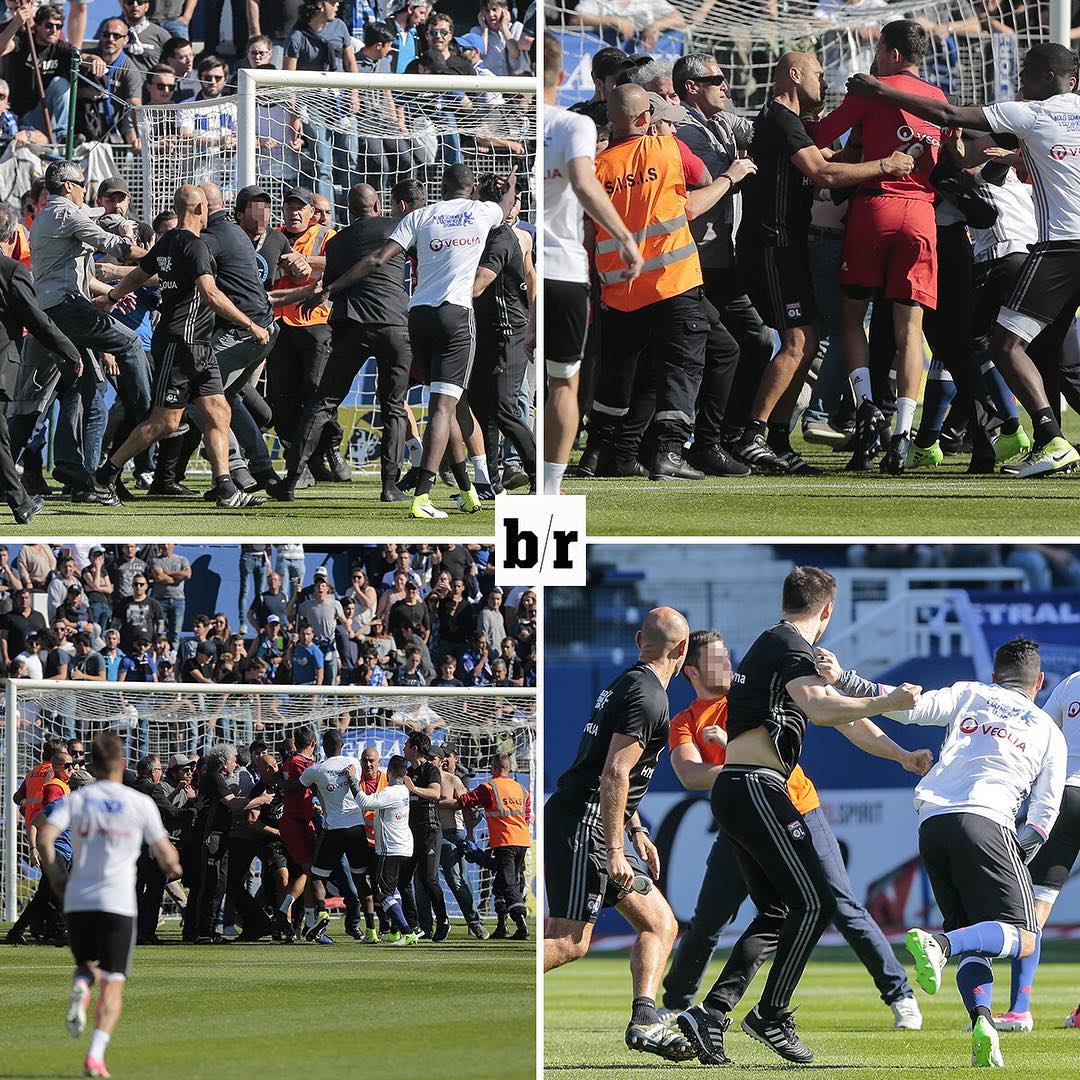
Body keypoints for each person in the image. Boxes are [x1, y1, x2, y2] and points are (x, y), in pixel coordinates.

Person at [690, 568, 919, 1065]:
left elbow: (845, 718)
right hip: (756, 786)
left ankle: (712, 1014)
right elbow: (820, 709)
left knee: (776, 911)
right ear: (828, 610)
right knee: (815, 902)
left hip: (740, 788)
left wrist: (901, 756)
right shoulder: (788, 646)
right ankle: (770, 1013)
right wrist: (891, 700)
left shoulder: (779, 646)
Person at [848, 41, 1080, 478]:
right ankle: (1028, 435)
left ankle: (1049, 438)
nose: (1020, 80)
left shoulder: (1032, 113)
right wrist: (1016, 158)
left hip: (1060, 248)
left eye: (1027, 72)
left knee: (1003, 344)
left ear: (1049, 77)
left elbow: (950, 116)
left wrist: (879, 90)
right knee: (1052, 351)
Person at [881, 637, 1066, 1068]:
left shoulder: (970, 692)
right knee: (1023, 937)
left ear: (994, 675)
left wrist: (848, 683)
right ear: (1038, 681)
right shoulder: (1047, 730)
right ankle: (940, 946)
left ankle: (983, 1025)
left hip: (932, 824)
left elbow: (906, 709)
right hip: (987, 821)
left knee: (975, 937)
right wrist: (1022, 846)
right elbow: (1044, 811)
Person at [734, 52, 914, 474]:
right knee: (797, 340)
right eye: (818, 75)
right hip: (771, 243)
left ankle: (778, 437)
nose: (824, 83)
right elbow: (824, 174)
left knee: (810, 340)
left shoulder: (795, 123)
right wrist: (887, 165)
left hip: (789, 243)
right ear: (794, 76)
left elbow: (831, 161)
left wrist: (858, 146)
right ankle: (752, 436)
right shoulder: (779, 116)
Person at [303, 165, 518, 518]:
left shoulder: (421, 215)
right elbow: (506, 205)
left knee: (444, 404)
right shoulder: (482, 210)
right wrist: (507, 184)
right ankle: (423, 495)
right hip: (455, 315)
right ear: (472, 188)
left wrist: (330, 288)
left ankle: (466, 490)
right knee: (445, 407)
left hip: (417, 316)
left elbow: (374, 260)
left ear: (441, 187)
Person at [544, 607, 696, 1062]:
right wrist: (614, 848)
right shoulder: (647, 696)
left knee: (661, 924)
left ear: (638, 640)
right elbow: (613, 772)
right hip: (586, 826)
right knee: (571, 941)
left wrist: (635, 829)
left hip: (594, 821)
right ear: (684, 651)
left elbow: (611, 771)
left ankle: (645, 1020)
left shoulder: (626, 683)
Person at [581, 84, 744, 481]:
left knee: (619, 374)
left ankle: (600, 452)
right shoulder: (667, 150)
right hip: (674, 282)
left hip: (620, 289)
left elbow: (588, 234)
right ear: (643, 119)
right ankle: (669, 452)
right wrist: (730, 178)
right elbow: (692, 199)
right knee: (682, 369)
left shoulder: (596, 168)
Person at [810, 20, 949, 472]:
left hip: (877, 206)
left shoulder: (872, 89)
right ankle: (904, 434)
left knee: (851, 316)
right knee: (911, 331)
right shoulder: (938, 98)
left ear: (889, 52)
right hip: (922, 214)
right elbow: (948, 154)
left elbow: (820, 136)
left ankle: (868, 411)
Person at [91, 185, 270, 510]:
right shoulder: (195, 246)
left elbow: (138, 275)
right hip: (181, 343)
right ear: (201, 209)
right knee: (166, 422)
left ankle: (226, 488)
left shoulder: (169, 242)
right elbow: (211, 295)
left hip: (197, 344)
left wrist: (111, 297)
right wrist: (251, 325)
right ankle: (106, 474)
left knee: (218, 411)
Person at [35, 731, 181, 1079]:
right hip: (117, 902)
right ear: (123, 764)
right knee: (114, 981)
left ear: (92, 765)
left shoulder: (79, 799)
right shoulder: (138, 803)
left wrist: (56, 874)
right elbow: (167, 856)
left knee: (87, 965)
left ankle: (82, 985)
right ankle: (95, 1055)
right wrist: (173, 864)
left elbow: (43, 834)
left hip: (79, 899)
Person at [268, 182, 414, 502]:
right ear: (377, 206)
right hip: (394, 323)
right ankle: (390, 485)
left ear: (347, 212)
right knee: (392, 406)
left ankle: (291, 479)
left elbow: (334, 284)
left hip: (353, 326)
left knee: (323, 401)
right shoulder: (397, 228)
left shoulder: (336, 242)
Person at [542, 34, 642, 495]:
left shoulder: (512, 121)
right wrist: (624, 236)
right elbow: (583, 182)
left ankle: (504, 469)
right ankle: (548, 492)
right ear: (567, 77)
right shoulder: (572, 123)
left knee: (512, 379)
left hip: (513, 265)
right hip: (561, 267)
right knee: (561, 382)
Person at [0, 205, 81, 523]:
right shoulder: (11, 271)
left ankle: (19, 499)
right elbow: (37, 320)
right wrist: (68, 350)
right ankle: (20, 503)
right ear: (10, 236)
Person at [471, 173, 536, 491]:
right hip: (484, 331)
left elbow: (480, 283)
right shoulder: (481, 233)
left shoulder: (504, 238)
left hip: (509, 331)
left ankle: (540, 476)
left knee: (504, 406)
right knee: (483, 407)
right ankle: (490, 482)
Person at [455, 752, 530, 938]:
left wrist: (455, 790)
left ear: (494, 768)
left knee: (509, 884)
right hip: (522, 841)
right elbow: (526, 815)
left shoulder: (490, 787)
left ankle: (521, 924)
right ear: (509, 768)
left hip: (504, 841)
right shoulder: (521, 789)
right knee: (500, 883)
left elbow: (466, 801)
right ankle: (502, 926)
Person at [351, 753, 418, 944]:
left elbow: (365, 803)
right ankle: (395, 932)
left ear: (388, 772)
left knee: (382, 892)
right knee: (394, 890)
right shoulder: (405, 790)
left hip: (391, 849)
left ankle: (407, 932)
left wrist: (351, 781)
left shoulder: (391, 792)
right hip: (405, 847)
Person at [401, 731, 449, 940]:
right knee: (402, 880)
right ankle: (413, 924)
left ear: (415, 748)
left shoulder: (431, 770)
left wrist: (413, 789)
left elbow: (435, 794)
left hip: (429, 830)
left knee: (429, 878)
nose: (403, 748)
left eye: (407, 744)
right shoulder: (406, 772)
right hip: (409, 833)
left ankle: (443, 920)